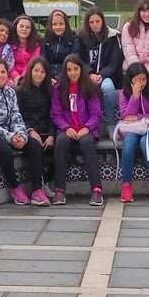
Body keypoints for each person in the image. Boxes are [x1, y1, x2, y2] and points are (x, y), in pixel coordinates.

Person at [0, 57, 42, 205]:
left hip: (11, 133)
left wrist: (21, 135)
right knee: (4, 151)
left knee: (35, 145)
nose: (0, 75)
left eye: (3, 72)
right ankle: (15, 187)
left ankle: (37, 189)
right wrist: (10, 137)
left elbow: (17, 117)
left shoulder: (11, 92)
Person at [51, 55, 105, 206]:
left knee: (87, 143)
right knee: (61, 142)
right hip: (67, 129)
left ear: (81, 69)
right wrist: (66, 127)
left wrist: (87, 127)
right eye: (69, 70)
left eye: (76, 69)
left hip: (86, 129)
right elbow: (56, 113)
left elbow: (96, 114)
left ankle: (96, 189)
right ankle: (59, 190)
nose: (73, 73)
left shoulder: (90, 88)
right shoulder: (59, 88)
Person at [115, 61, 149, 204]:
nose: (141, 83)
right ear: (130, 80)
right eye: (137, 80)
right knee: (129, 143)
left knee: (145, 143)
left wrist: (140, 117)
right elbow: (126, 116)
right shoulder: (124, 93)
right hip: (133, 128)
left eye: (143, 79)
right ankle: (126, 185)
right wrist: (135, 97)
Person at [16, 57, 56, 205]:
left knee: (63, 147)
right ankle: (36, 190)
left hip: (46, 130)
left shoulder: (50, 91)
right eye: (36, 70)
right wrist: (30, 130)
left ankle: (47, 181)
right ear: (30, 71)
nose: (39, 74)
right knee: (35, 146)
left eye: (42, 72)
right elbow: (18, 115)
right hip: (28, 131)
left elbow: (53, 115)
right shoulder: (21, 91)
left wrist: (51, 135)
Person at [78, 10, 124, 126]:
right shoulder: (81, 37)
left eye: (97, 21)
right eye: (91, 22)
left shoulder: (112, 37)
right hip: (87, 75)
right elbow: (80, 59)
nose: (95, 24)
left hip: (106, 75)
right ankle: (86, 122)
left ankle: (110, 121)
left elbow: (114, 63)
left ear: (102, 21)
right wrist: (89, 73)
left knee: (107, 87)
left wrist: (101, 75)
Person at [40, 9, 80, 74]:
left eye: (61, 24)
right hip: (48, 74)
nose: (58, 27)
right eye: (54, 24)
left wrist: (60, 77)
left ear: (66, 24)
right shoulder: (46, 41)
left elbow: (73, 60)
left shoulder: (74, 40)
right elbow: (43, 60)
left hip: (67, 74)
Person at [7, 15, 42, 83]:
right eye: (21, 26)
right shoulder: (9, 44)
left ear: (31, 30)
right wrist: (16, 77)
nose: (24, 29)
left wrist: (23, 78)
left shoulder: (36, 45)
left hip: (30, 77)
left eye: (27, 27)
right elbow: (9, 64)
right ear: (16, 27)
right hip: (11, 78)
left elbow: (32, 63)